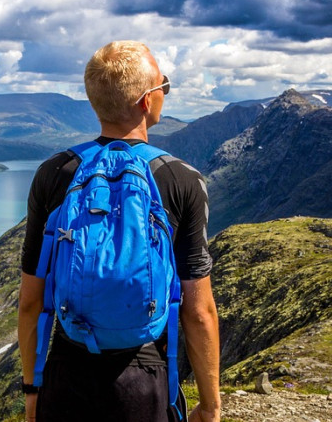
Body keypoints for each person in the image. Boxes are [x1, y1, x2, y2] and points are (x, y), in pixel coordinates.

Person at [18, 41, 221, 422]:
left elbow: (31, 301)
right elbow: (198, 311)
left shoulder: (55, 173)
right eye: (164, 85)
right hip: (144, 377)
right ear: (147, 101)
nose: (164, 93)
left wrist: (33, 391)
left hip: (66, 373)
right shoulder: (182, 180)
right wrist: (210, 406)